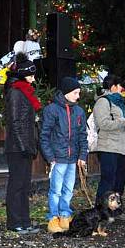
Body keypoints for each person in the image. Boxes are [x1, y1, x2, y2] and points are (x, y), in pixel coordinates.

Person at [40, 77, 88, 233]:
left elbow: (82, 135)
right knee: (56, 190)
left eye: (79, 93)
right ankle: (53, 218)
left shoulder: (79, 111)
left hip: (72, 158)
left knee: (68, 189)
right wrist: (50, 158)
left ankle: (65, 215)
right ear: (67, 92)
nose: (78, 96)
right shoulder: (51, 110)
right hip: (57, 158)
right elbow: (44, 135)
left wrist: (82, 156)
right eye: (75, 92)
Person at [3, 53, 41, 234]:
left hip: (24, 145)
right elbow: (15, 122)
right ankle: (14, 222)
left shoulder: (24, 92)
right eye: (31, 75)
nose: (34, 79)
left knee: (24, 185)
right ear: (22, 75)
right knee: (17, 185)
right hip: (17, 147)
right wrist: (23, 146)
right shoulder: (16, 92)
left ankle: (24, 221)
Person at [93, 75, 125, 220]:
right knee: (108, 180)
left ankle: (116, 210)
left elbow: (120, 122)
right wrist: (123, 121)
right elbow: (103, 124)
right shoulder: (103, 101)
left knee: (120, 179)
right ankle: (100, 211)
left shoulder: (118, 102)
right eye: (120, 86)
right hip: (108, 146)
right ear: (113, 86)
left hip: (120, 146)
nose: (122, 89)